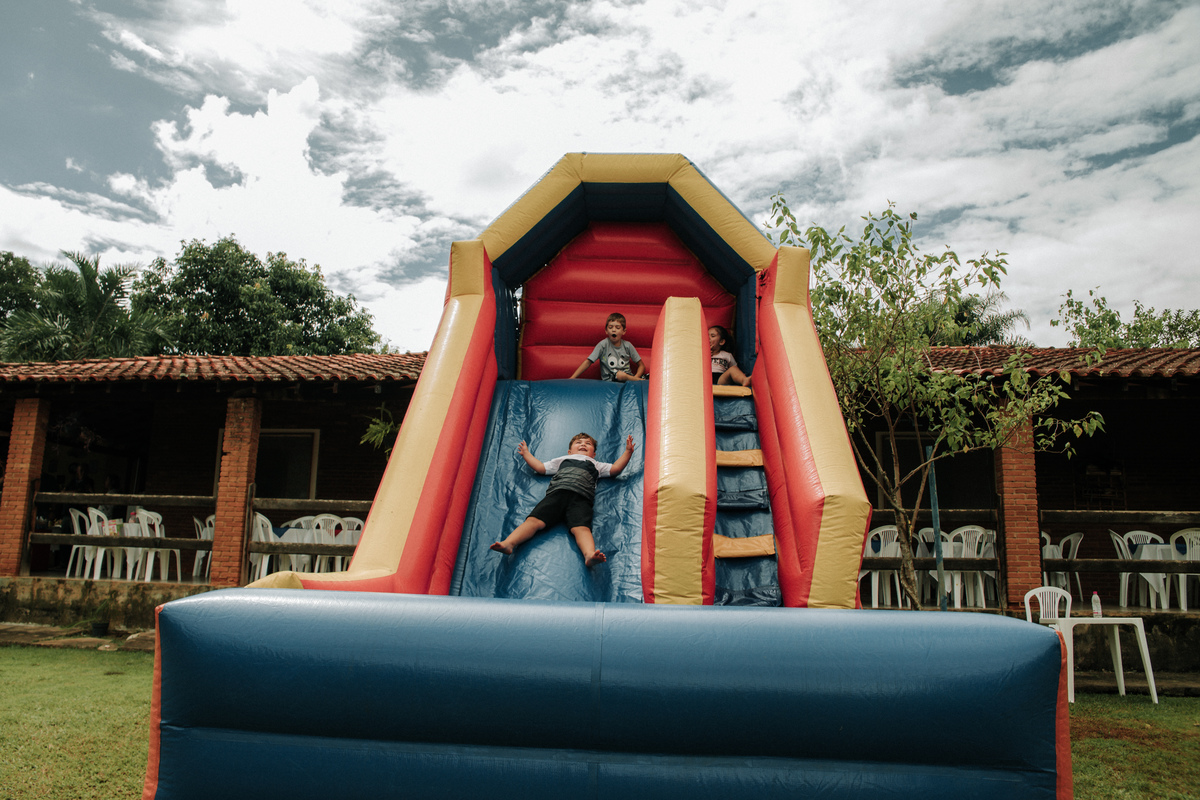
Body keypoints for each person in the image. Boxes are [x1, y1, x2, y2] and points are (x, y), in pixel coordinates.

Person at [490, 432, 636, 567]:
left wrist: (628, 452)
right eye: (579, 442)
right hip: (556, 495)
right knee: (533, 521)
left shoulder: (597, 465)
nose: (583, 444)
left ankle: (589, 554)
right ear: (569, 451)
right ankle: (509, 543)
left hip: (581, 499)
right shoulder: (562, 460)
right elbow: (540, 467)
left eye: (588, 444)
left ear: (594, 454)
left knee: (582, 529)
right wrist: (526, 454)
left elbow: (615, 469)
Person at [570, 312, 645, 381]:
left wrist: (635, 378)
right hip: (610, 381)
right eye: (610, 327)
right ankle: (636, 380)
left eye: (617, 328)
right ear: (606, 330)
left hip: (627, 380)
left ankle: (635, 380)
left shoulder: (628, 345)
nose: (613, 330)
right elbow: (588, 362)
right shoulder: (603, 345)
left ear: (624, 331)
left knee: (621, 375)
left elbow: (641, 365)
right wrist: (572, 378)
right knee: (619, 375)